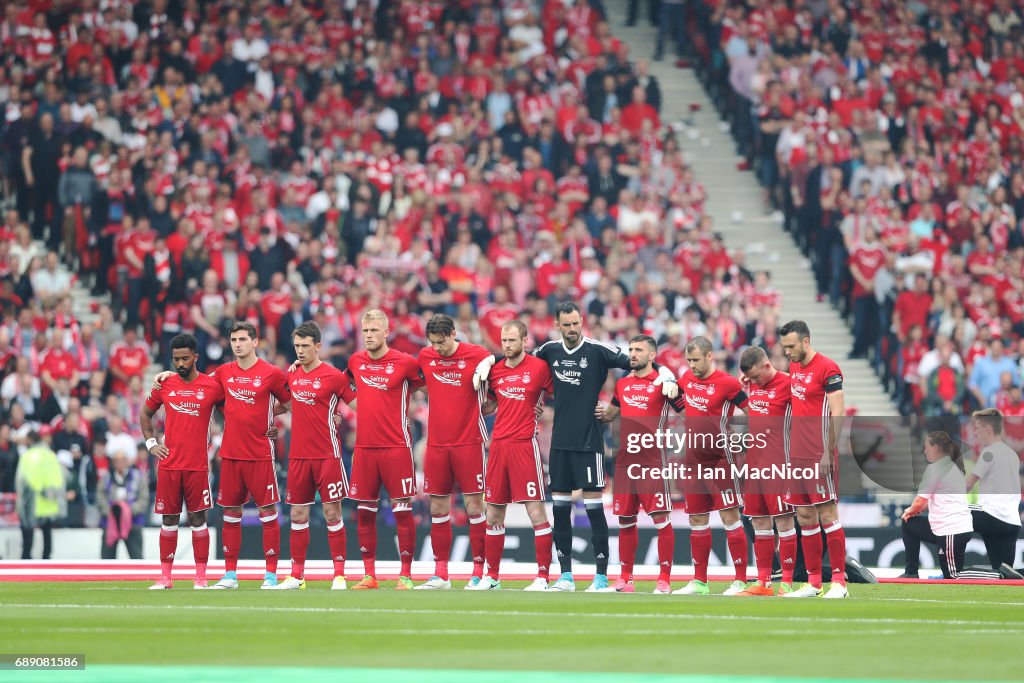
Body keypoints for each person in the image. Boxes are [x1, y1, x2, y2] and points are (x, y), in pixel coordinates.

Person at [475, 301, 678, 592]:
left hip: (590, 442)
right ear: (557, 325)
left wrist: (664, 372)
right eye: (566, 324)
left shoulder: (598, 350)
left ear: (581, 321)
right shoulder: (549, 351)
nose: (571, 328)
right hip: (560, 443)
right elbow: (517, 355)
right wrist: (491, 361)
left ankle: (600, 576)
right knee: (559, 510)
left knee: (594, 509)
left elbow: (635, 361)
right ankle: (566, 576)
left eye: (575, 323)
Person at [155, 321, 291, 590]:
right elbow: (195, 383)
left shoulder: (271, 373)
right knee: (230, 513)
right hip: (230, 454)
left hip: (260, 454)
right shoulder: (222, 374)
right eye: (233, 340)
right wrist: (168, 374)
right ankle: (230, 575)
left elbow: (288, 401)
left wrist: (267, 416)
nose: (237, 344)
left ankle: (271, 575)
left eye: (242, 339)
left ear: (255, 342)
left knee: (268, 512)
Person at [596, 334, 684, 594]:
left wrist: (676, 387)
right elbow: (612, 412)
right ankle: (625, 579)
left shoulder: (663, 382)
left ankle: (664, 579)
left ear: (652, 356)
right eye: (631, 349)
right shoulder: (622, 384)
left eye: (638, 350)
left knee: (661, 518)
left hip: (652, 460)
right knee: (625, 519)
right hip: (625, 460)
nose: (632, 354)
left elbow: (688, 412)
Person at [271, 321, 356, 590]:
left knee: (332, 513)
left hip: (328, 455)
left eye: (305, 346)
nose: (300, 351)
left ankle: (339, 575)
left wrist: (339, 416)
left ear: (318, 346)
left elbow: (359, 403)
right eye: (296, 346)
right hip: (298, 457)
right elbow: (284, 405)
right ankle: (297, 576)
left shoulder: (334, 377)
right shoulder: (292, 375)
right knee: (297, 515)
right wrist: (261, 420)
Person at [472, 320, 554, 591]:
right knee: (493, 513)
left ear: (524, 341)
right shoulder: (494, 370)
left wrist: (544, 409)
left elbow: (561, 396)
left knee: (535, 511)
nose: (506, 345)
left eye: (511, 340)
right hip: (498, 447)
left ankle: (542, 578)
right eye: (504, 341)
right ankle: (492, 577)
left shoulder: (540, 368)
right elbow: (492, 402)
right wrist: (482, 406)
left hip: (524, 446)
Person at [347, 310, 425, 590]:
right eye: (365, 331)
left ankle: (405, 575)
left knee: (402, 511)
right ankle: (369, 576)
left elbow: (430, 386)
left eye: (373, 331)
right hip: (365, 449)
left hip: (396, 448)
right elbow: (340, 384)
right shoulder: (355, 361)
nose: (368, 336)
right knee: (365, 513)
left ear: (386, 332)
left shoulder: (405, 363)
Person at [415, 314, 493, 590]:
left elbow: (497, 376)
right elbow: (411, 378)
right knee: (437, 508)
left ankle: (479, 572)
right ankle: (441, 575)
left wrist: (489, 401)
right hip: (436, 444)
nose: (437, 348)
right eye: (433, 343)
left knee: (474, 506)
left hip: (469, 442)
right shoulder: (425, 356)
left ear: (453, 334)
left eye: (441, 342)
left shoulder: (477, 354)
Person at [141, 333, 224, 590]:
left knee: (198, 520)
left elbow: (234, 411)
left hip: (198, 466)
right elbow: (145, 413)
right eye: (176, 359)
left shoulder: (212, 386)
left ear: (195, 358)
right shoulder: (165, 385)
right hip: (169, 465)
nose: (180, 363)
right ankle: (166, 577)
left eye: (185, 358)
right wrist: (152, 444)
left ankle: (200, 577)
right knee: (169, 521)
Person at [673, 336, 751, 596]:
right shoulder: (685, 379)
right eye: (689, 360)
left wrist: (739, 435)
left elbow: (751, 409)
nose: (692, 365)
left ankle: (740, 580)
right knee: (697, 518)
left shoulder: (728, 383)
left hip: (720, 460)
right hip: (693, 460)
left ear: (710, 357)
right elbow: (683, 405)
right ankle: (700, 582)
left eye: (696, 360)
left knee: (730, 516)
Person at [779, 320, 849, 599]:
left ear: (806, 341)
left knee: (827, 515)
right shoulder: (794, 366)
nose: (788, 352)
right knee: (805, 517)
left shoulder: (828, 368)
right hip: (796, 455)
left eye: (791, 346)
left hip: (818, 454)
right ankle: (814, 582)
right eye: (784, 347)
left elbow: (838, 413)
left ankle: (840, 583)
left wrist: (827, 452)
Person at [900, 431, 1013, 580]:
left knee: (953, 575)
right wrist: (913, 511)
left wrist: (909, 510)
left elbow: (920, 502)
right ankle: (911, 572)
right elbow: (927, 502)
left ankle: (1000, 574)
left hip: (951, 530)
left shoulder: (937, 469)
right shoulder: (951, 466)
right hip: (943, 527)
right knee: (909, 524)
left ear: (935, 448)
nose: (924, 450)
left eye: (927, 447)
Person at [735, 345, 798, 596]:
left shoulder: (789, 385)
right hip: (754, 465)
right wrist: (747, 383)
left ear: (766, 365)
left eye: (756, 376)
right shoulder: (752, 384)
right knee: (759, 521)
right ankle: (764, 582)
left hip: (779, 464)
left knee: (784, 522)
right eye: (749, 379)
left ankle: (787, 582)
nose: (754, 382)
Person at [965, 409, 1023, 574]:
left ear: (988, 429)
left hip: (992, 517)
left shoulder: (989, 452)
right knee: (1004, 573)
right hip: (1012, 523)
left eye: (977, 428)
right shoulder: (1012, 454)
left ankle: (950, 569)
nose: (975, 433)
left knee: (953, 514)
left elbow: (968, 485)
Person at [15, 426, 67, 560]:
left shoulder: (27, 456)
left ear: (29, 441)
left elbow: (21, 480)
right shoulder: (50, 454)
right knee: (47, 535)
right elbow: (59, 479)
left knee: (27, 536)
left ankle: (26, 561)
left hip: (31, 502)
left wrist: (21, 501)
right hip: (48, 502)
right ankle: (47, 563)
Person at [96, 450, 148, 559]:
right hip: (110, 522)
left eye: (122, 460)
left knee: (136, 557)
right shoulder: (106, 478)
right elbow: (100, 496)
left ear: (128, 461)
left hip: (133, 523)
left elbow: (144, 498)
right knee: (107, 559)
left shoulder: (138, 476)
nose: (120, 464)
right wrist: (110, 511)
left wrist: (128, 511)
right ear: (113, 463)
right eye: (116, 461)